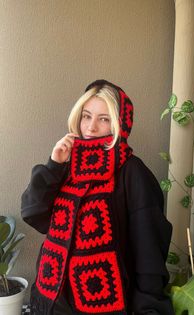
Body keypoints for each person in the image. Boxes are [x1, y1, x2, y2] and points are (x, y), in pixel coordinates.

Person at [21, 79, 174, 315]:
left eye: (104, 119)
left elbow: (149, 252)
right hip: (52, 300)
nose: (91, 128)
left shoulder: (133, 172)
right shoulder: (67, 163)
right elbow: (34, 214)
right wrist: (53, 166)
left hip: (104, 307)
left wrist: (149, 308)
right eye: (86, 116)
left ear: (119, 125)